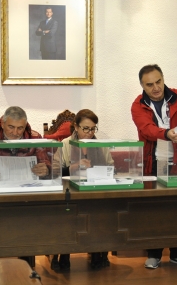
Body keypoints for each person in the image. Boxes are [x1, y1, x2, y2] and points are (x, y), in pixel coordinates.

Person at [131, 64, 177, 269]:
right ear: (142, 86)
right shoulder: (138, 105)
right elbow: (147, 129)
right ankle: (154, 253)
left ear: (163, 79)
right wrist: (166, 133)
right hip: (153, 162)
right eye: (150, 84)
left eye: (158, 81)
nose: (156, 87)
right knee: (154, 210)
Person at [52, 109, 114, 270]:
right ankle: (64, 254)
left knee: (101, 211)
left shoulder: (101, 146)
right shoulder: (65, 144)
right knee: (68, 213)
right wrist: (74, 166)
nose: (89, 133)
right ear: (76, 127)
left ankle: (96, 252)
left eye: (93, 129)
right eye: (85, 128)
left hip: (95, 190)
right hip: (70, 191)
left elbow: (111, 167)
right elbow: (55, 171)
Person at [0, 106, 50, 182]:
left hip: (27, 186)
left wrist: (47, 170)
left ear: (25, 126)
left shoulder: (35, 138)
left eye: (20, 128)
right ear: (3, 124)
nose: (15, 132)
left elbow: (48, 164)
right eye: (11, 127)